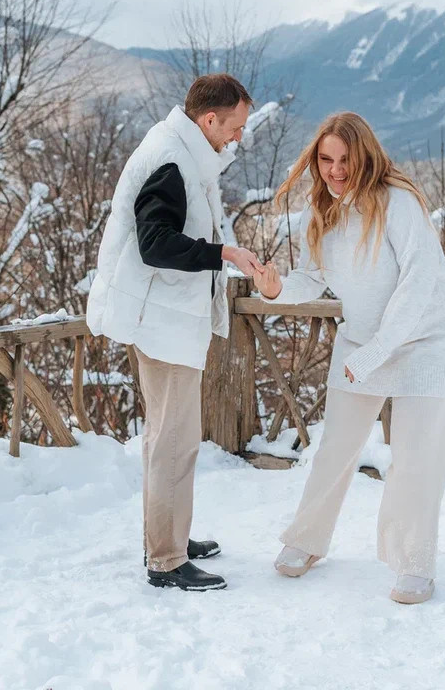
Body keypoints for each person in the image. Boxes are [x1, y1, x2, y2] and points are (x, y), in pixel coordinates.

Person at [252, 111, 445, 605]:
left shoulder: (399, 203)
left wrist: (376, 353)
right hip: (364, 340)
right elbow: (312, 277)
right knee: (337, 446)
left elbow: (416, 286)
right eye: (326, 159)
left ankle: (414, 564)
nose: (335, 170)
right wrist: (276, 288)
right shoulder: (323, 213)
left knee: (416, 455)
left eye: (344, 159)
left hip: (426, 339)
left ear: (365, 155)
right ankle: (306, 540)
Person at [86, 74, 261, 591]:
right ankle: (165, 558)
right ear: (209, 119)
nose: (238, 137)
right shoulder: (171, 161)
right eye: (235, 127)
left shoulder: (182, 154)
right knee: (173, 442)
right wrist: (223, 253)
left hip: (167, 321)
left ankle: (170, 538)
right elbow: (156, 244)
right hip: (161, 323)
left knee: (174, 438)